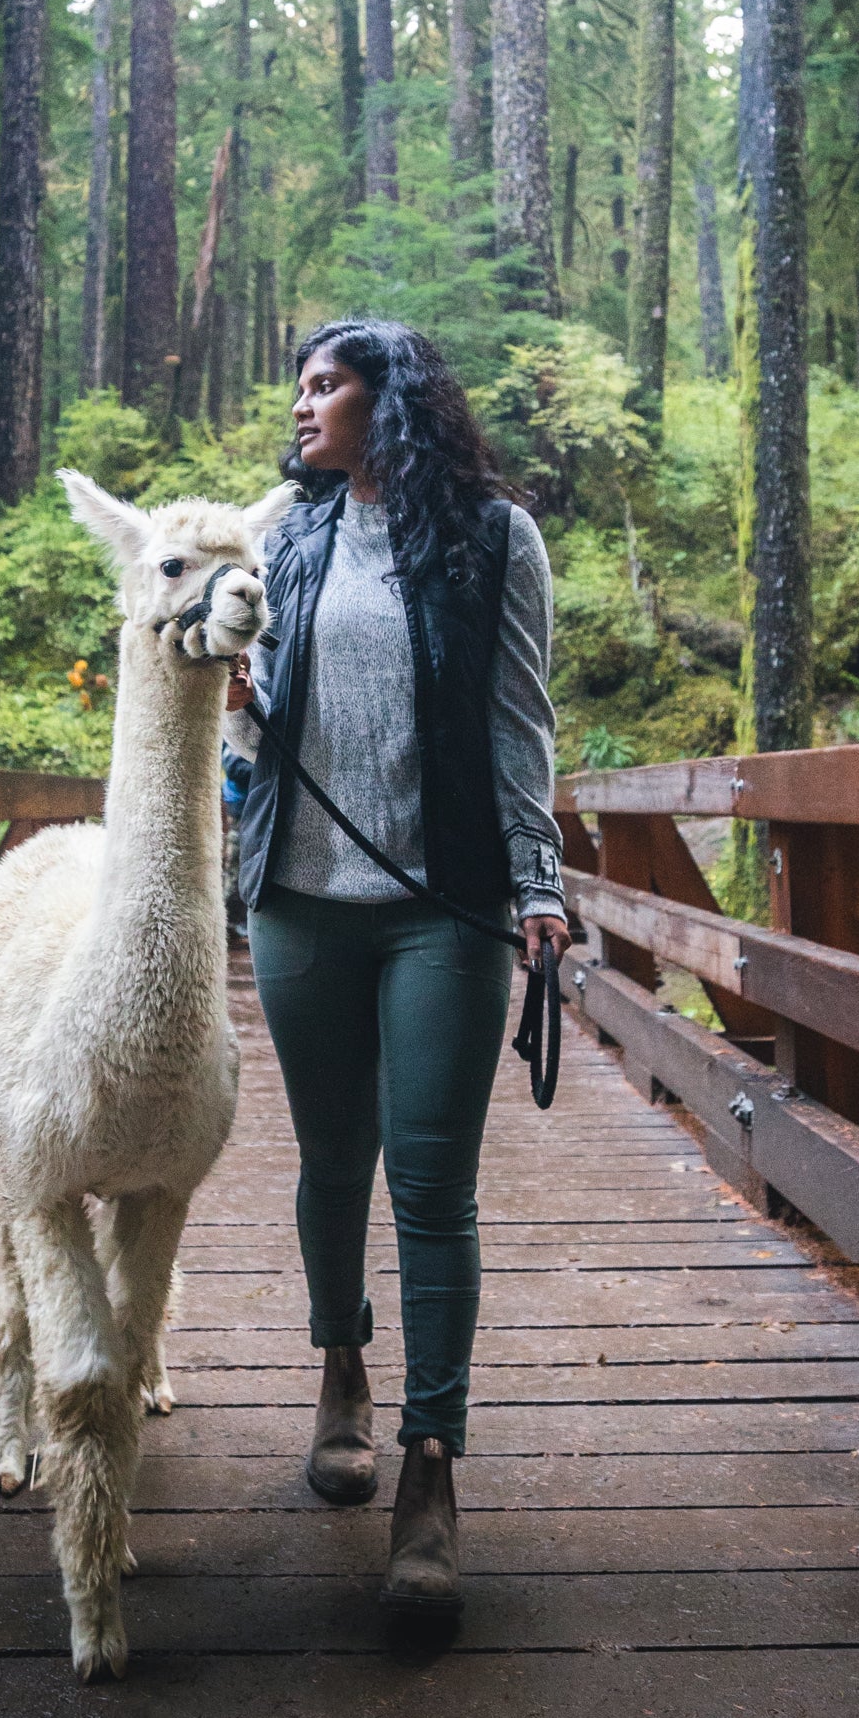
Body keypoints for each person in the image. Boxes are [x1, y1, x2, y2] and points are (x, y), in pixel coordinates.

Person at [224, 318, 571, 1618]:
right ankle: (341, 1374)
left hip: (446, 908)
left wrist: (539, 887)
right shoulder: (290, 536)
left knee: (432, 1183)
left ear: (393, 398)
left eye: (328, 384)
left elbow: (518, 726)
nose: (304, 406)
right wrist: (238, 703)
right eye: (301, 388)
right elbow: (255, 736)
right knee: (331, 1163)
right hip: (300, 906)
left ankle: (431, 1462)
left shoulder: (492, 540)